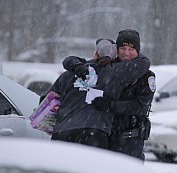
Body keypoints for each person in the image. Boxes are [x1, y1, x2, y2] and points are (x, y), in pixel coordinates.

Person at [63, 29, 156, 161]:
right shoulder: (107, 66)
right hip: (103, 136)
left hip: (130, 139)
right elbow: (72, 61)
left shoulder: (145, 75)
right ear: (116, 49)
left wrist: (111, 106)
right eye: (123, 48)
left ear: (138, 51)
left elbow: (141, 106)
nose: (127, 53)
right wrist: (77, 65)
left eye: (132, 49)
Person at [40, 38, 150, 150]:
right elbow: (143, 63)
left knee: (58, 167)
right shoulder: (116, 73)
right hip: (94, 133)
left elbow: (45, 99)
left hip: (62, 132)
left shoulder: (70, 73)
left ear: (95, 52)